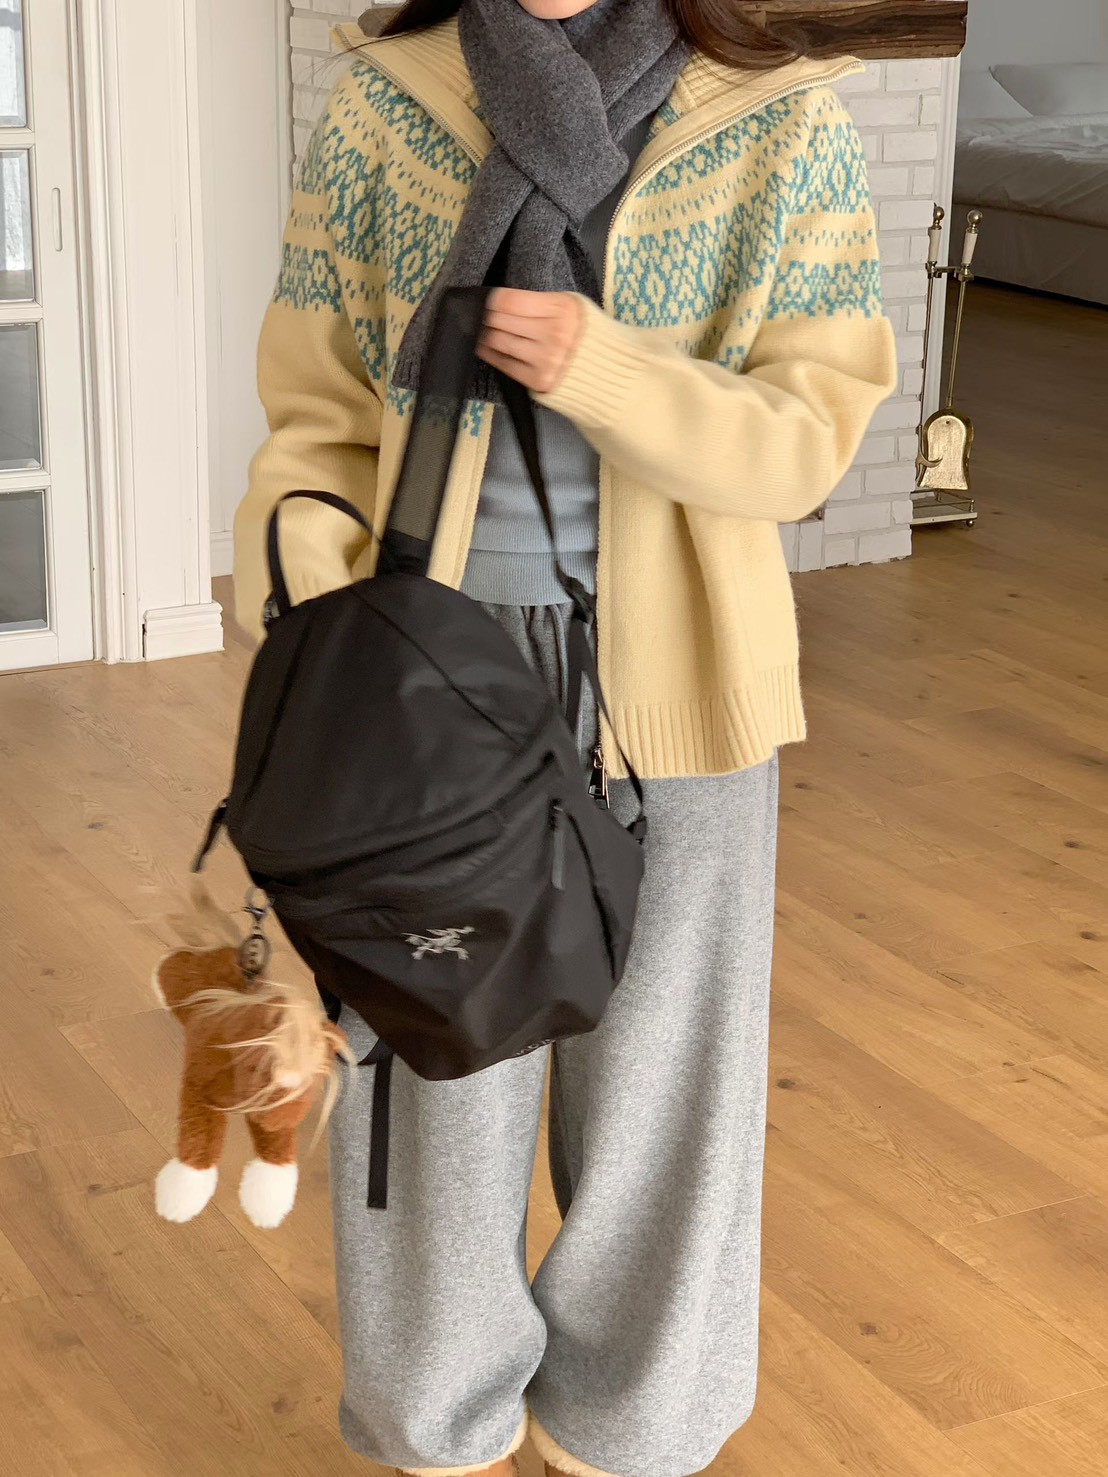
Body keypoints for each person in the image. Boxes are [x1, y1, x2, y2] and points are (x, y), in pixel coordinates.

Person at [232, 0, 898, 1473]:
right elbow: (315, 413)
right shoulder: (385, 107)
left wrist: (605, 368)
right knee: (430, 1064)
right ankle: (439, 1425)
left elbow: (804, 441)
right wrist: (318, 627)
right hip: (426, 674)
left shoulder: (779, 118)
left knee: (666, 1086)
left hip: (681, 674)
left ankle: (632, 1430)